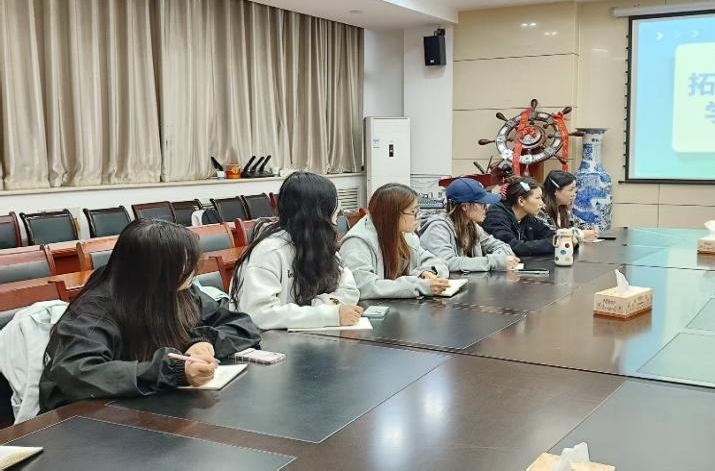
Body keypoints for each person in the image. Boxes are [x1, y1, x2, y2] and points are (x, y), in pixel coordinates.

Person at [39, 219, 261, 412]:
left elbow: (242, 325)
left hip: (153, 407)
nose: (194, 272)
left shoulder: (178, 291)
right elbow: (79, 373)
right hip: (88, 419)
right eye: (182, 266)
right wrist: (173, 371)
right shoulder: (94, 311)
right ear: (153, 271)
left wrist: (201, 341)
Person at [230, 171, 362, 329]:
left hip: (310, 334)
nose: (335, 220)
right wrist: (327, 314)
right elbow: (259, 314)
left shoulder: (321, 244)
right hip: (269, 340)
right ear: (318, 215)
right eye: (333, 212)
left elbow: (350, 290)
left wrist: (320, 308)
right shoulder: (269, 252)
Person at [340, 183, 450, 299]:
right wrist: (418, 285)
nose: (419, 216)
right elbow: (364, 286)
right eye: (413, 212)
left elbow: (436, 262)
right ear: (393, 215)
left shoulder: (403, 235)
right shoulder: (357, 242)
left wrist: (426, 272)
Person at [419, 177, 521, 272]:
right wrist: (495, 261)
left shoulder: (471, 225)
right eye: (482, 203)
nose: (486, 208)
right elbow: (447, 263)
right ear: (465, 206)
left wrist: (501, 259)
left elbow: (502, 246)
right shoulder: (437, 228)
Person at [482, 176, 555, 257]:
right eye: (538, 198)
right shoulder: (495, 217)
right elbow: (511, 246)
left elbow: (549, 234)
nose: (542, 203)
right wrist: (552, 244)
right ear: (521, 201)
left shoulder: (526, 216)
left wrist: (560, 237)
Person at [538, 170, 598, 241]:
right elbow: (552, 237)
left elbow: (582, 226)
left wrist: (591, 231)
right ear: (555, 191)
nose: (573, 194)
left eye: (574, 190)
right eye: (571, 190)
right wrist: (581, 234)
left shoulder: (562, 209)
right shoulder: (540, 210)